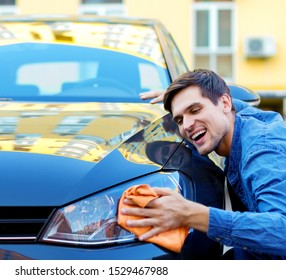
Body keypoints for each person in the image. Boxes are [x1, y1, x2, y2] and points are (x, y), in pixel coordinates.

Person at [120, 69, 286, 259]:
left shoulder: (261, 151)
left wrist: (190, 213)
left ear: (225, 103)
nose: (187, 125)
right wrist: (183, 100)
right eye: (180, 119)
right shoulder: (237, 118)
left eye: (195, 110)